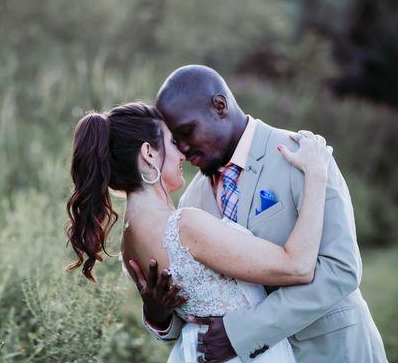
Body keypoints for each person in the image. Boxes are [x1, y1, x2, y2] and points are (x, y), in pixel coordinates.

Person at [129, 65, 386, 362]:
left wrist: (245, 332)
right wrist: (159, 315)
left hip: (334, 350)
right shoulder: (191, 201)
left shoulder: (302, 156)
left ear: (220, 106)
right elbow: (200, 303)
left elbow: (341, 269)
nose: (183, 150)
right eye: (176, 140)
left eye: (187, 132)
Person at [66, 101, 333, 362]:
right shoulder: (185, 226)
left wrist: (157, 318)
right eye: (172, 142)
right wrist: (317, 175)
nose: (183, 153)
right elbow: (297, 265)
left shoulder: (128, 243)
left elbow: (181, 314)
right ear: (148, 153)